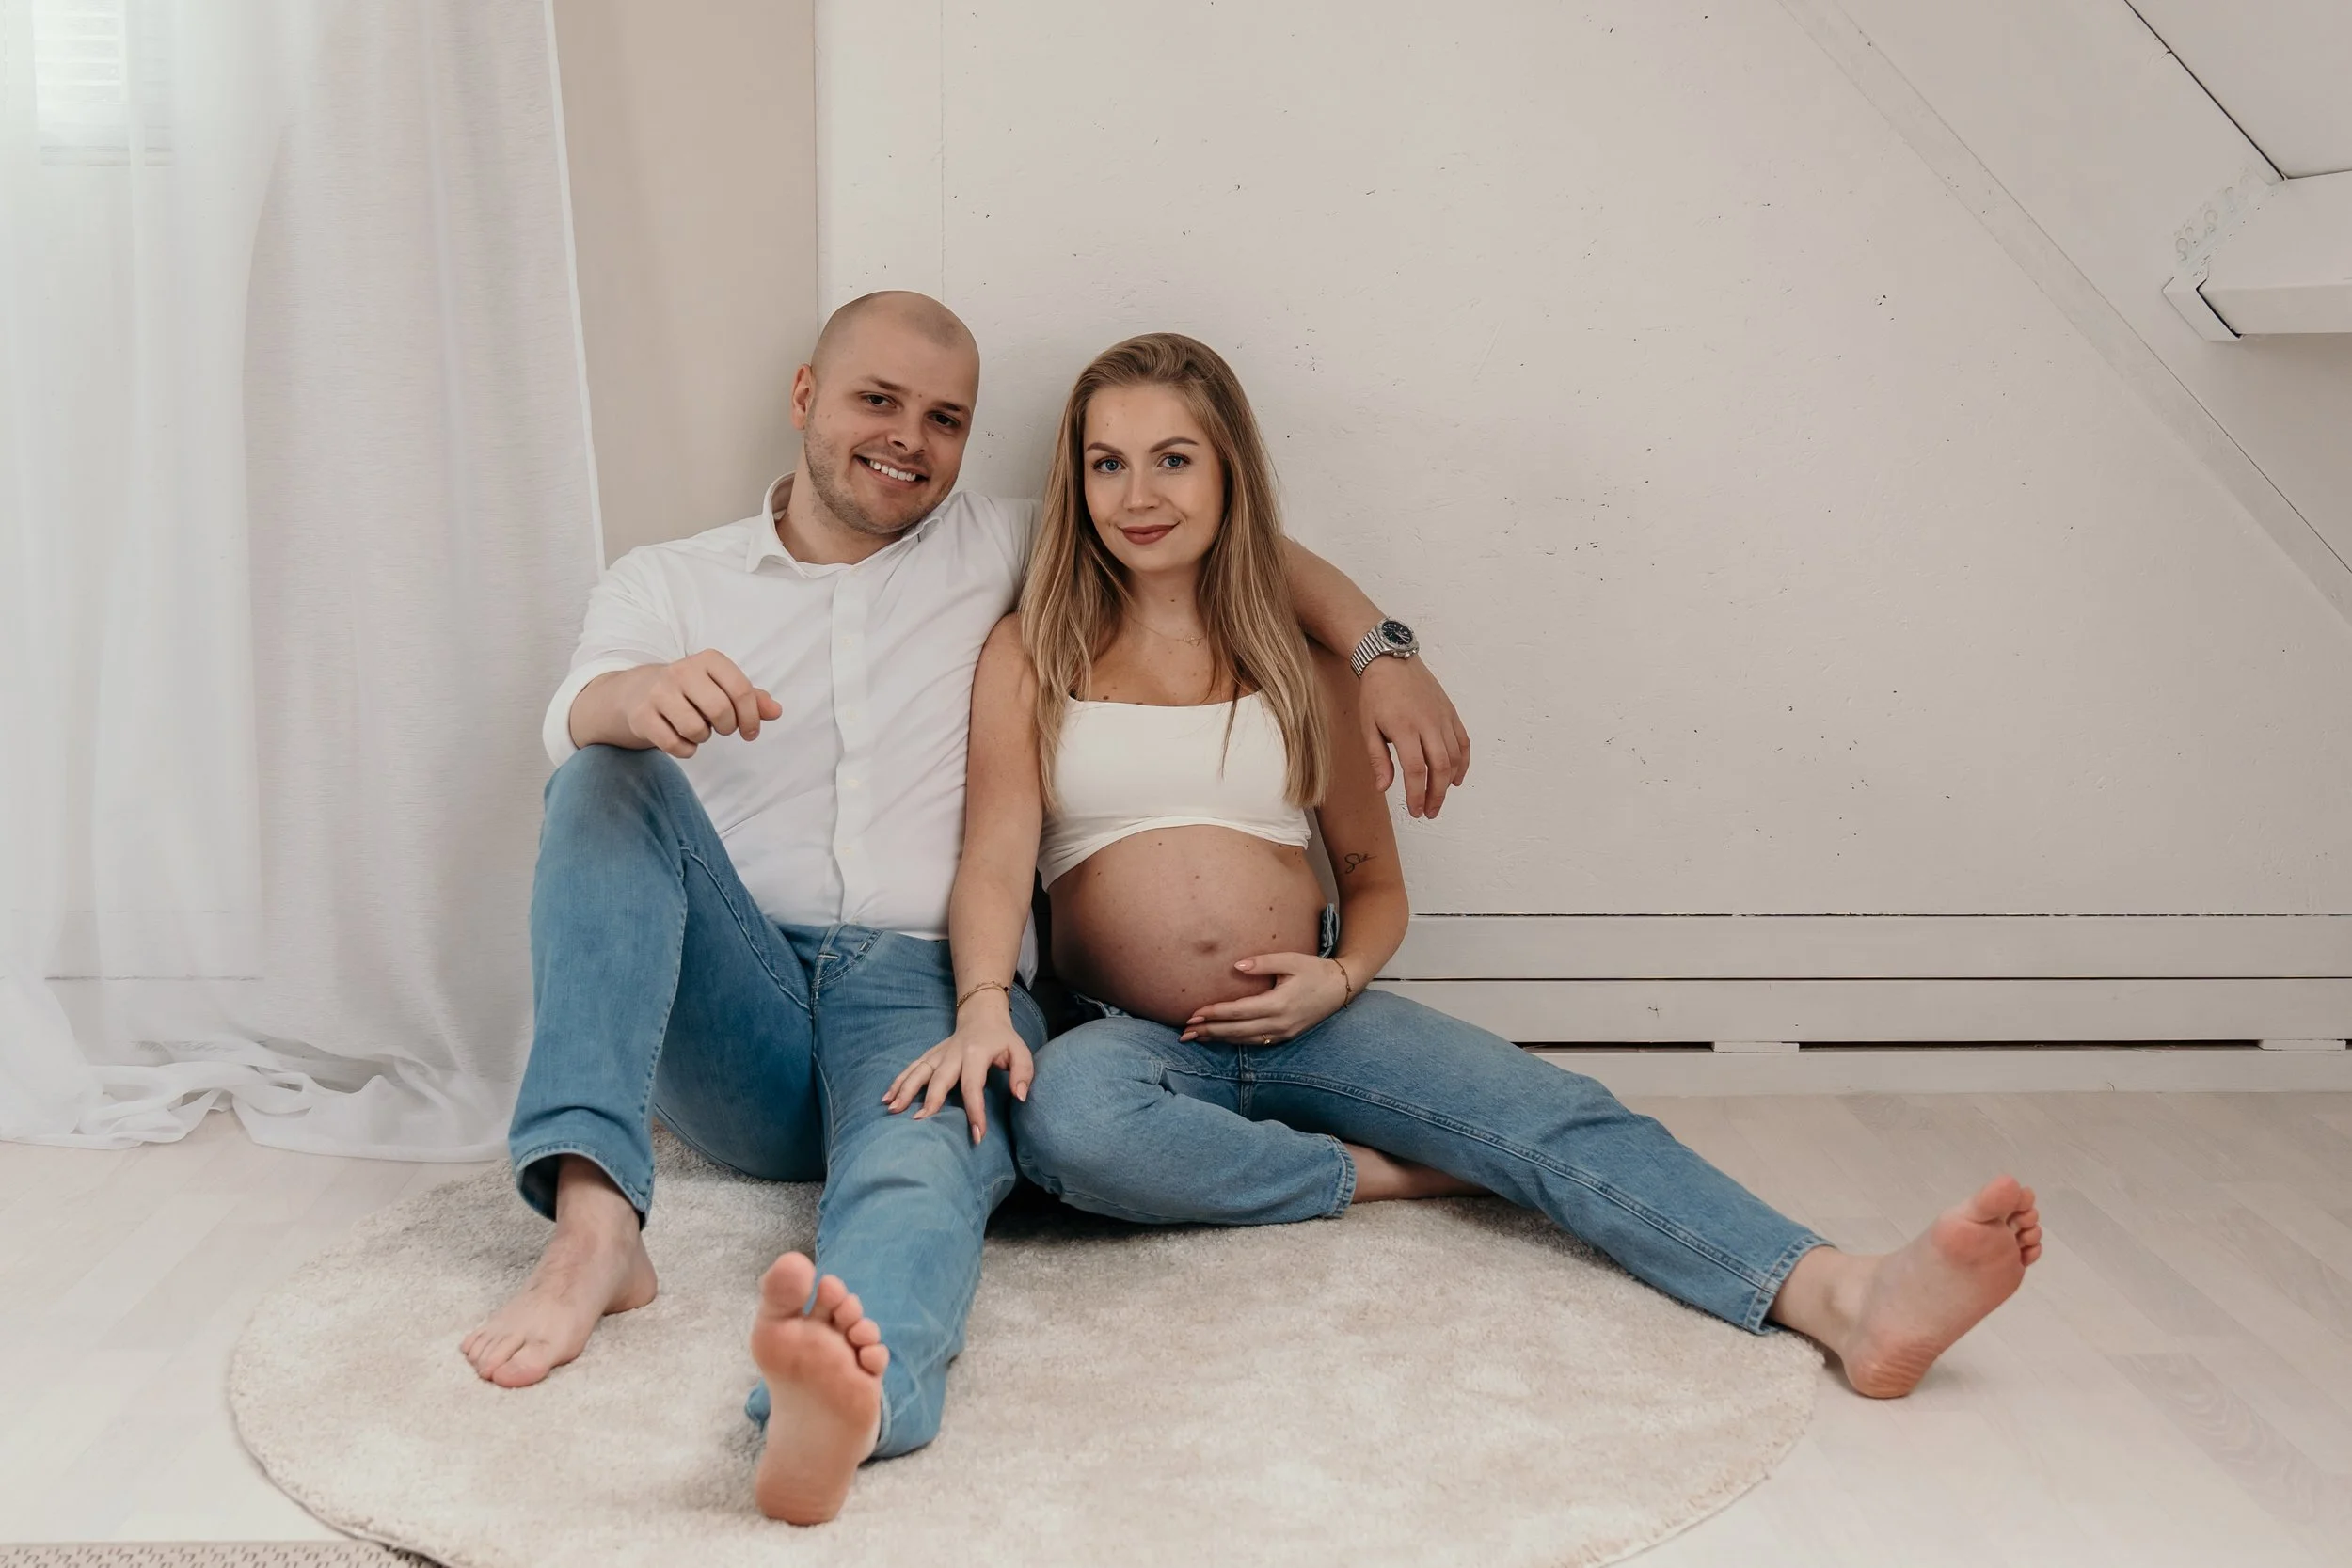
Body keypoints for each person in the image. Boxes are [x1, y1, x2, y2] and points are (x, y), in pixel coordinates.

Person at [458, 294, 1472, 1524]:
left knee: (925, 1155)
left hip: (924, 989)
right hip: (739, 1004)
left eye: (945, 418)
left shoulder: (1017, 548)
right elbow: (569, 714)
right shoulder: (670, 579)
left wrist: (1383, 649)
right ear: (804, 398)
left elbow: (1235, 545)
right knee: (601, 778)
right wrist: (639, 693)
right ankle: (592, 1227)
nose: (909, 439)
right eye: (876, 400)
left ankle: (849, 1402)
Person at [891, 331, 2045, 1402]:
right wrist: (984, 1002)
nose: (1137, 496)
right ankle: (1390, 1172)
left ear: (1229, 470)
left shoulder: (1305, 667)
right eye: (1106, 464)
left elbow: (1373, 880)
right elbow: (995, 857)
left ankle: (1840, 1293)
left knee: (1554, 1112)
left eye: (1173, 459)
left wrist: (1335, 983)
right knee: (1068, 1130)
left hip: (1314, 1017)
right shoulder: (1032, 651)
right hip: (1133, 1038)